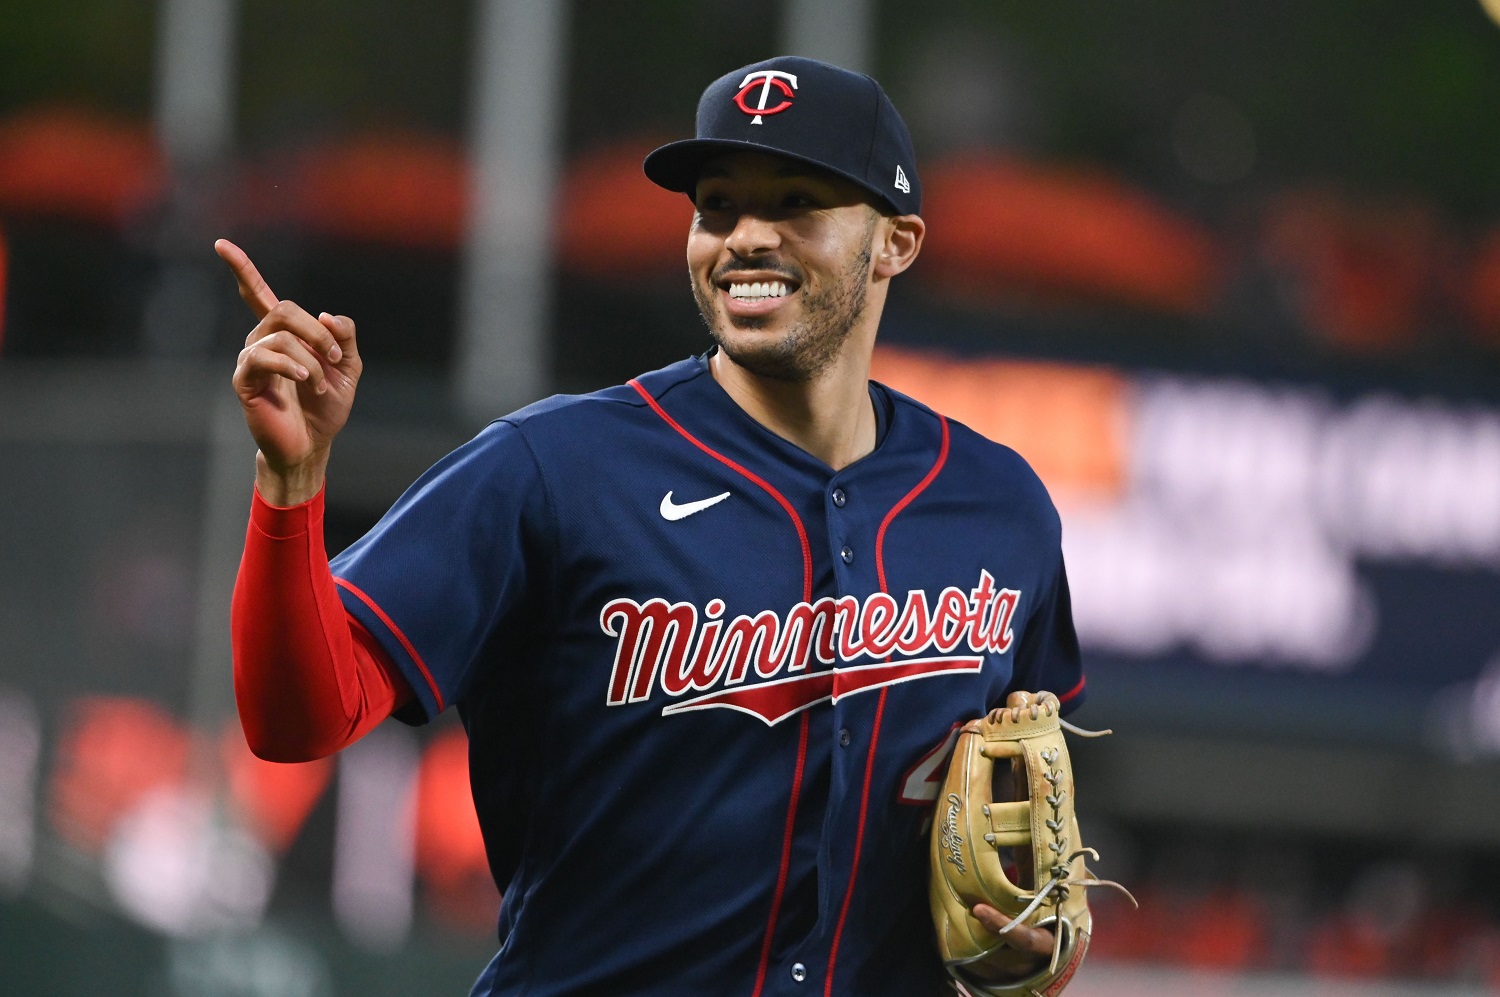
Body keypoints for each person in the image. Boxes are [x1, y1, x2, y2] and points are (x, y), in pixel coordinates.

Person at [221, 55, 1086, 997]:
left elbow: (1032, 811)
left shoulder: (997, 509)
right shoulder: (554, 468)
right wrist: (290, 483)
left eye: (796, 202)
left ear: (897, 242)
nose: (747, 237)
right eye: (717, 205)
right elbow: (296, 719)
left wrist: (1026, 949)